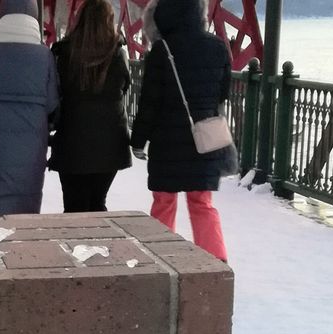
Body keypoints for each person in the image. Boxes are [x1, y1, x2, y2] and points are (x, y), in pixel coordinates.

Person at [130, 0, 234, 260]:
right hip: (204, 140)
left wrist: (138, 140)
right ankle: (215, 260)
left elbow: (149, 103)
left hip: (167, 142)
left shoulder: (161, 50)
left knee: (164, 201)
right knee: (202, 203)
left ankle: (162, 257)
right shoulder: (217, 46)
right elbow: (222, 93)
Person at [0, 0, 59, 214]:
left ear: (1, 17)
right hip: (31, 147)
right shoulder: (44, 56)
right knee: (26, 208)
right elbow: (52, 103)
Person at [48, 0, 132, 212]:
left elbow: (53, 93)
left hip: (72, 140)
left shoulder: (63, 53)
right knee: (98, 201)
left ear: (79, 20)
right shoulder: (118, 53)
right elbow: (124, 87)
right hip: (110, 144)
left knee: (73, 205)